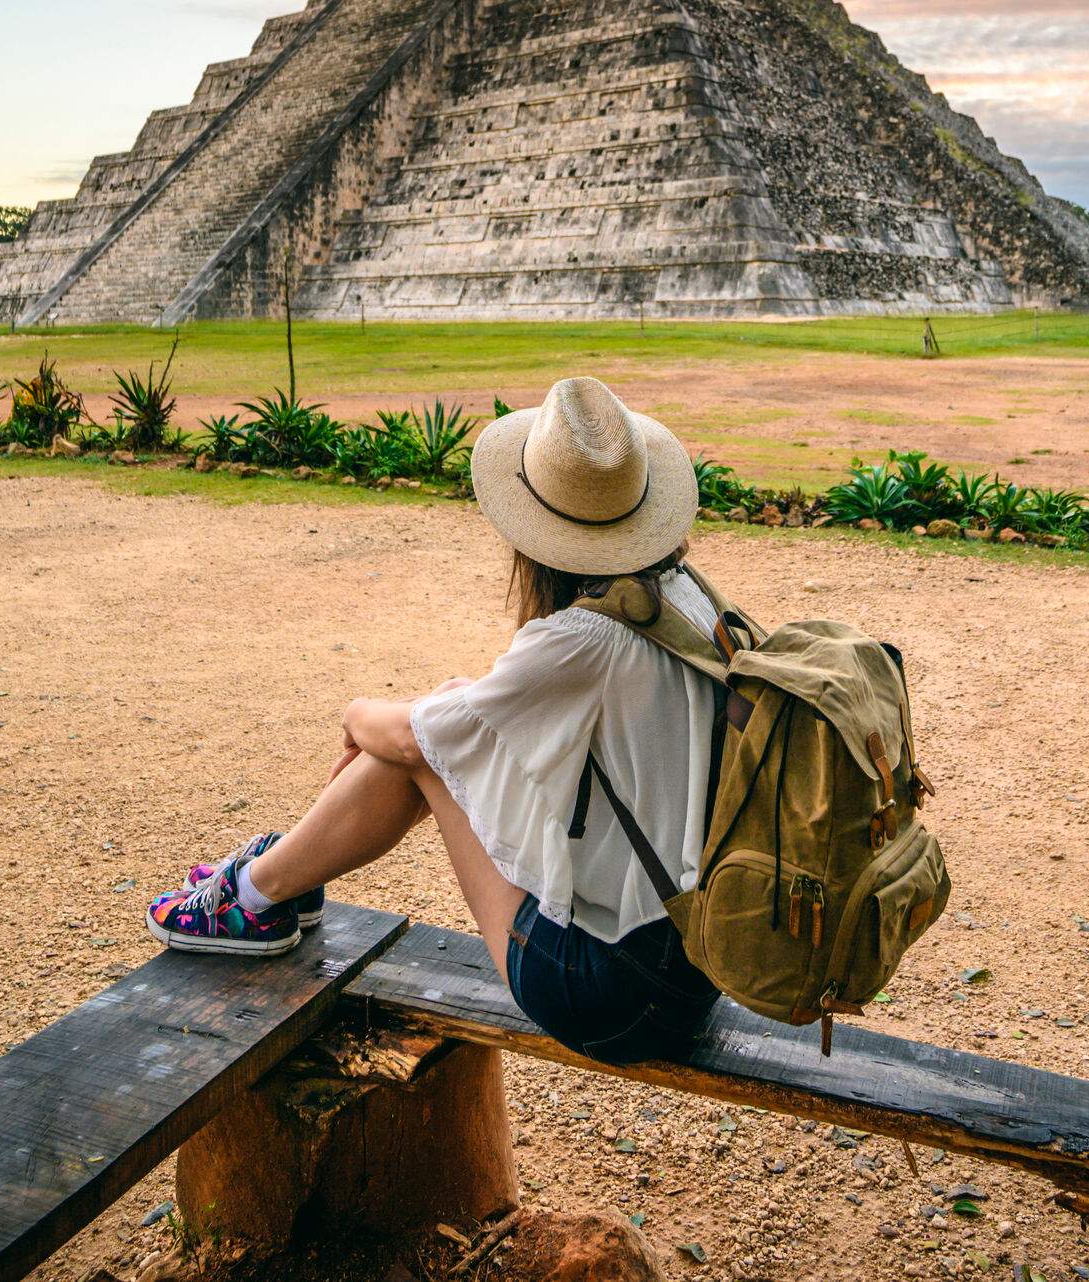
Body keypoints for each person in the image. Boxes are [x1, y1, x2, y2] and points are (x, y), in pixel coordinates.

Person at [146, 376, 723, 1063]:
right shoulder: (685, 600)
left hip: (612, 995)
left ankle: (253, 895)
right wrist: (424, 719)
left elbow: (414, 738)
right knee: (442, 715)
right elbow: (470, 719)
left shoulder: (582, 640)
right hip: (692, 965)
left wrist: (355, 713)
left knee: (416, 746)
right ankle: (274, 881)